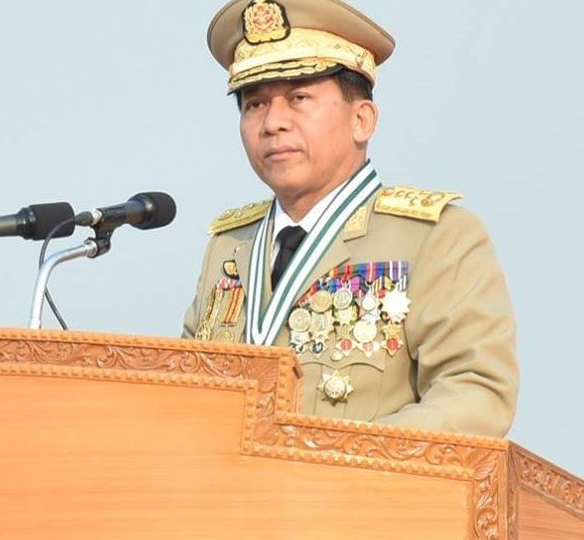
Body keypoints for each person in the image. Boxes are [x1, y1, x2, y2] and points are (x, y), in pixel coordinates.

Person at [183, 0, 519, 437]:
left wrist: (339, 460)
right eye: (255, 104)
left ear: (362, 120)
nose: (273, 123)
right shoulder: (230, 247)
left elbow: (477, 393)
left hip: (363, 498)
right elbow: (186, 395)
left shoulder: (434, 237)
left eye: (299, 98)